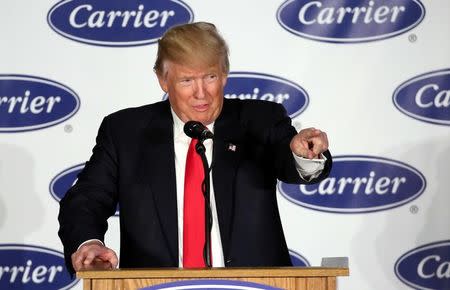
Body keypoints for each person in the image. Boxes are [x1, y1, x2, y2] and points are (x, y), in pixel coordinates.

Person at [58, 22, 332, 275]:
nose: (201, 94)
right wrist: (88, 243)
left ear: (224, 75)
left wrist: (304, 153)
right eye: (187, 80)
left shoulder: (259, 120)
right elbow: (86, 199)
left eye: (210, 77)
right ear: (163, 80)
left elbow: (290, 162)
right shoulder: (125, 131)